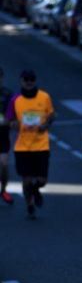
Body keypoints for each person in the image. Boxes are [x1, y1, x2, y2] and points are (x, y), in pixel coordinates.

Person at [7, 70, 54, 219]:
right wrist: (14, 124)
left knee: (42, 180)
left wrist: (45, 125)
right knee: (26, 179)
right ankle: (30, 205)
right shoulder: (15, 99)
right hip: (22, 147)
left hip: (41, 146)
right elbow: (10, 119)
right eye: (26, 79)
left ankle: (35, 190)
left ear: (35, 81)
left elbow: (51, 115)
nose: (29, 82)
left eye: (31, 79)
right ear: (21, 81)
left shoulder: (44, 97)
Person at [0, 67, 14, 204]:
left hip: (3, 135)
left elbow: (15, 114)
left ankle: (3, 190)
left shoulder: (8, 94)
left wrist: (9, 121)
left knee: (3, 164)